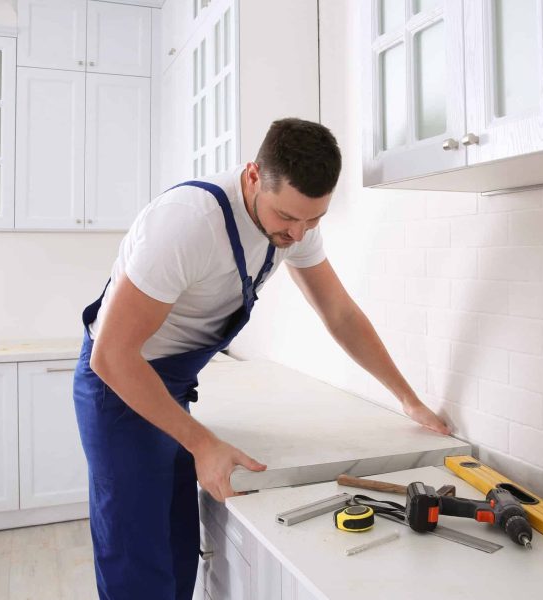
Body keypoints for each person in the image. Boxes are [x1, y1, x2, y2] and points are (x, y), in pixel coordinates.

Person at [73, 118, 450, 599]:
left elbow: (339, 313)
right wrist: (203, 444)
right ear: (253, 176)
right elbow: (111, 355)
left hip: (169, 384)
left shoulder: (296, 225)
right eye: (287, 218)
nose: (297, 233)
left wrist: (406, 398)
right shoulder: (188, 222)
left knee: (176, 546)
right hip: (119, 388)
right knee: (136, 562)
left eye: (313, 220)